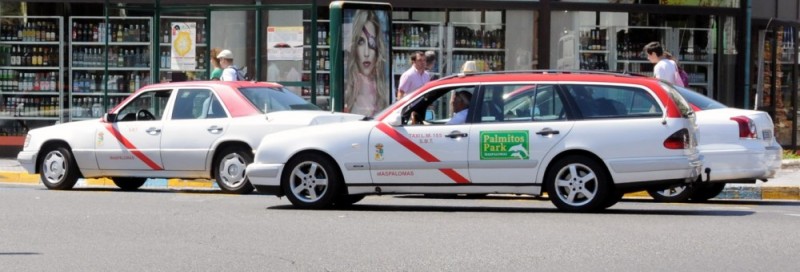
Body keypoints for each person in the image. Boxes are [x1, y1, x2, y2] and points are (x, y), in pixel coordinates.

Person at [344, 10, 389, 116]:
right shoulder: (348, 87)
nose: (366, 53)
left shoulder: (383, 87)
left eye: (372, 43)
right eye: (360, 42)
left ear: (378, 47)